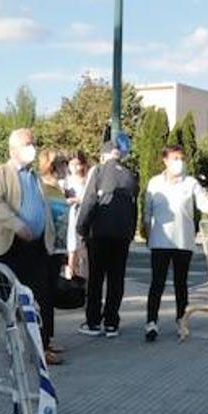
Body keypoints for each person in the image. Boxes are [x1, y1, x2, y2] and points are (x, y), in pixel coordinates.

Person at [0, 128, 60, 365]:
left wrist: (48, 231)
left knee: (42, 295)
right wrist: (18, 224)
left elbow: (44, 207)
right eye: (27, 143)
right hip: (10, 245)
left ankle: (43, 344)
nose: (33, 147)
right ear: (14, 149)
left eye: (34, 142)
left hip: (38, 245)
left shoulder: (34, 176)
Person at [142, 143, 208, 342]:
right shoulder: (154, 183)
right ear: (165, 161)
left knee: (180, 284)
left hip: (183, 241)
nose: (179, 163)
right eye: (175, 159)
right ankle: (151, 322)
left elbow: (204, 204)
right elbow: (147, 212)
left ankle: (181, 321)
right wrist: (149, 235)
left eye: (181, 158)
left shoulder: (190, 182)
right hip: (160, 241)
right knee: (157, 283)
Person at [76, 139, 137, 338]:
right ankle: (112, 322)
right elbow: (134, 207)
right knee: (116, 279)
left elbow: (90, 200)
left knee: (96, 279)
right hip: (122, 235)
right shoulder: (130, 175)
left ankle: (93, 322)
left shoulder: (99, 171)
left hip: (100, 233)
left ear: (103, 155)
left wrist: (81, 227)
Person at [39, 149, 71, 355]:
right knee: (43, 296)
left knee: (49, 295)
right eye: (63, 165)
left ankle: (47, 339)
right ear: (54, 167)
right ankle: (42, 342)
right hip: (44, 248)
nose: (66, 169)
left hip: (58, 248)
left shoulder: (58, 189)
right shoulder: (40, 187)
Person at [64, 152, 89, 279]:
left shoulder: (87, 181)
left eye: (77, 164)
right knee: (71, 247)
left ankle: (82, 277)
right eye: (71, 164)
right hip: (70, 216)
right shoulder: (66, 181)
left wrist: (80, 200)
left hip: (83, 216)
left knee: (82, 249)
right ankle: (70, 274)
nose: (74, 167)